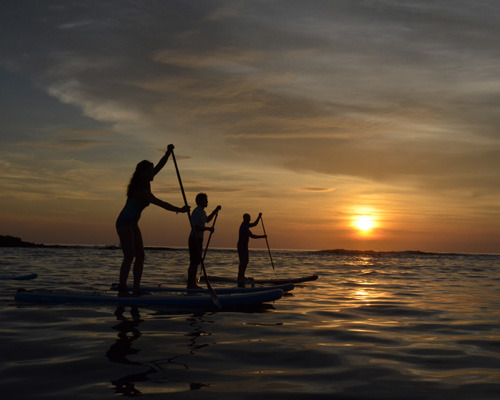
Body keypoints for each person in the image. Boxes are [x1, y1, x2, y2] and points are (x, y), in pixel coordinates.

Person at [116, 144, 189, 297]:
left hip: (133, 223)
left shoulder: (145, 181)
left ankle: (136, 289)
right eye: (150, 170)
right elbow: (161, 204)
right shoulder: (141, 191)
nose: (153, 172)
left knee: (141, 256)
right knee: (129, 255)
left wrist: (168, 153)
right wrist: (180, 210)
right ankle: (122, 289)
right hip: (124, 223)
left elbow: (160, 166)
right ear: (143, 173)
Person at [187, 193, 221, 288]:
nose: (207, 202)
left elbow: (207, 220)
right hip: (194, 239)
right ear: (201, 201)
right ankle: (190, 283)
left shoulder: (202, 212)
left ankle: (192, 283)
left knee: (197, 261)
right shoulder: (196, 211)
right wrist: (208, 229)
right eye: (206, 200)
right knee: (194, 261)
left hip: (199, 239)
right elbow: (195, 227)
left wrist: (215, 211)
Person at [237, 213, 267, 284]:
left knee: (246, 261)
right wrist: (262, 236)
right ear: (245, 218)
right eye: (249, 218)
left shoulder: (246, 225)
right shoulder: (244, 226)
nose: (250, 219)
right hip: (241, 246)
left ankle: (242, 276)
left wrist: (259, 217)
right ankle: (240, 276)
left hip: (244, 246)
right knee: (243, 261)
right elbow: (252, 236)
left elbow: (254, 224)